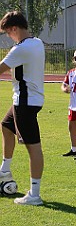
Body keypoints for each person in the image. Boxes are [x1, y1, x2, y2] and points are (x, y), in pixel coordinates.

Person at [0, 11, 44, 205]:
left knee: (33, 147)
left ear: (15, 28)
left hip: (25, 103)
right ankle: (4, 170)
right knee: (6, 126)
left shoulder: (21, 48)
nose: (8, 36)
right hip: (27, 100)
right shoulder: (37, 42)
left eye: (8, 32)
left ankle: (34, 195)